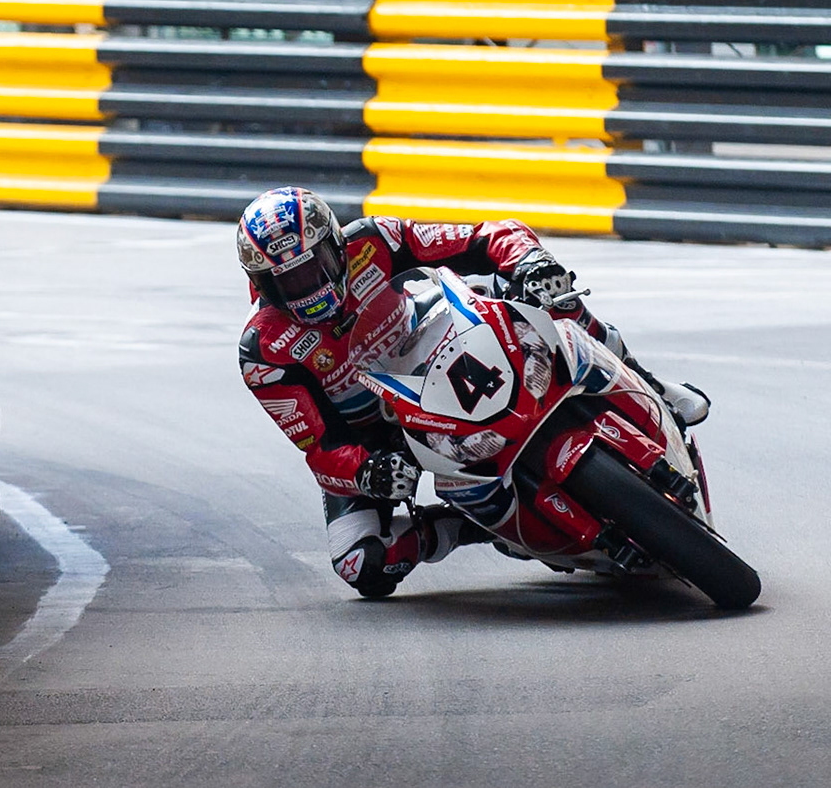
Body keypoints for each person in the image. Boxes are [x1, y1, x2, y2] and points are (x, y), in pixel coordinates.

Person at [234, 186, 710, 599]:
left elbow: (485, 235)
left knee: (551, 297)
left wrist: (531, 261)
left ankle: (647, 383)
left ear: (337, 246)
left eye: (315, 265)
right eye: (289, 279)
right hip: (383, 435)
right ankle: (467, 527)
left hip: (442, 345)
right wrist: (367, 471)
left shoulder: (375, 241)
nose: (309, 287)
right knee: (361, 564)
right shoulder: (263, 350)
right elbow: (320, 446)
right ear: (262, 285)